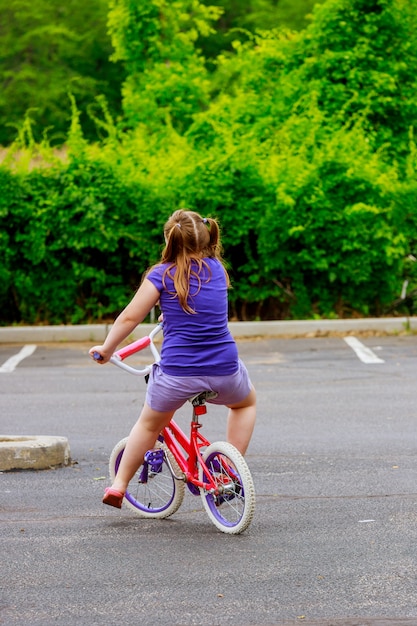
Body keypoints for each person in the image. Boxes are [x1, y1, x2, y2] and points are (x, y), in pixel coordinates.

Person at [89, 209, 256, 509]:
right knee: (245, 403)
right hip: (224, 367)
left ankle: (119, 484)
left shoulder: (161, 275)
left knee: (149, 424)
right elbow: (201, 306)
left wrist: (107, 349)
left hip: (179, 372)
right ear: (206, 236)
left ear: (169, 239)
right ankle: (230, 470)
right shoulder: (217, 269)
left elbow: (129, 318)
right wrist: (174, 313)